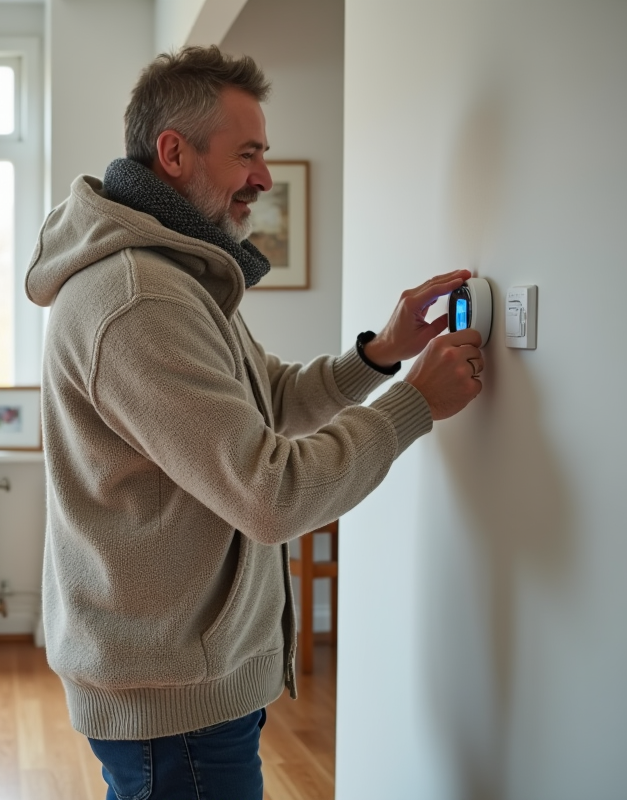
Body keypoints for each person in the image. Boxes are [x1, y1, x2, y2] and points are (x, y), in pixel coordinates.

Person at [25, 46, 484, 799]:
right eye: (248, 154)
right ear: (173, 153)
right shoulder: (142, 299)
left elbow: (264, 397)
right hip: (171, 698)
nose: (265, 178)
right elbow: (272, 496)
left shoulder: (172, 275)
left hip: (177, 679)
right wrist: (415, 406)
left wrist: (380, 355)